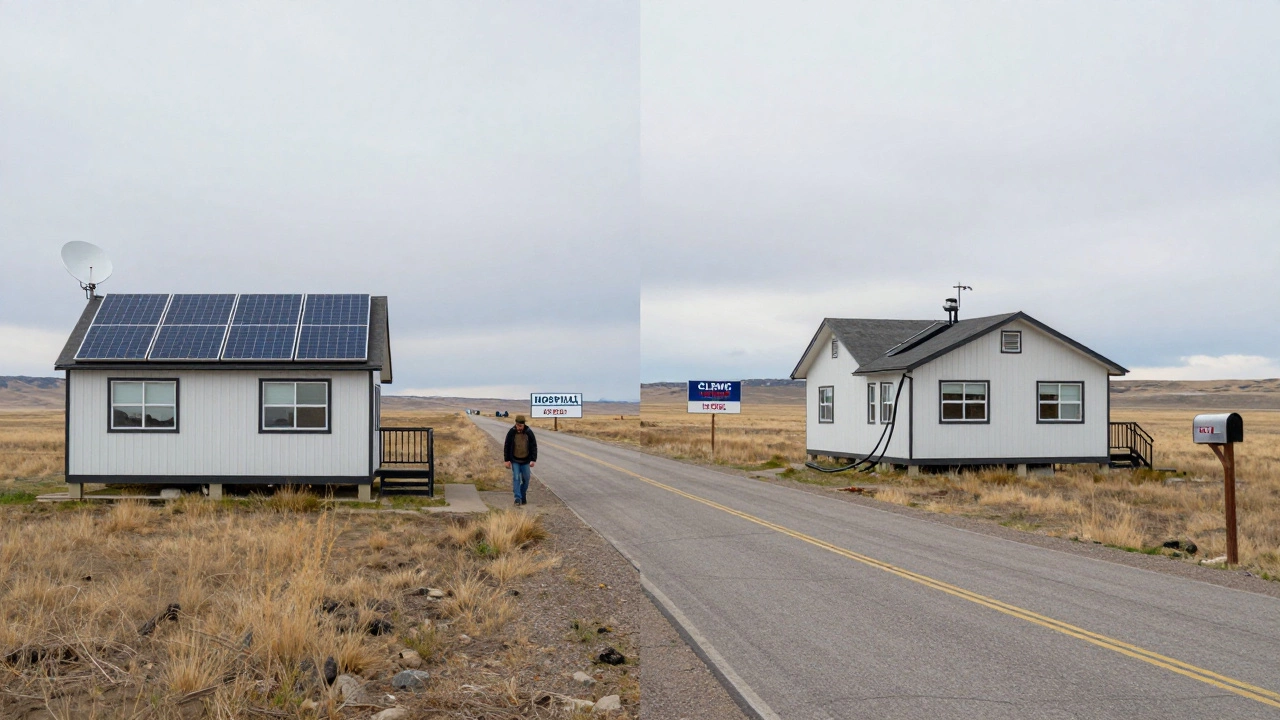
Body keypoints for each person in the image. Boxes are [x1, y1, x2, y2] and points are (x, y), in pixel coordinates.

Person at [503, 415, 537, 505]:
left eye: (521, 426)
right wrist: (507, 460)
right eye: (518, 425)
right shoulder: (512, 432)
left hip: (526, 460)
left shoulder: (528, 432)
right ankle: (517, 498)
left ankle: (522, 494)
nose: (519, 427)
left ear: (524, 425)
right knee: (516, 478)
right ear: (516, 424)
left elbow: (533, 446)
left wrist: (533, 459)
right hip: (515, 460)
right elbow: (507, 446)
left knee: (526, 479)